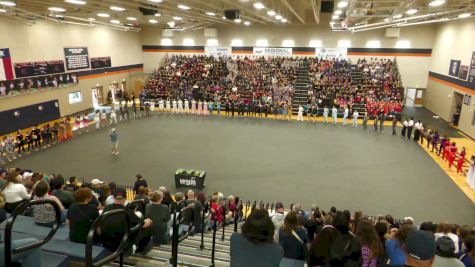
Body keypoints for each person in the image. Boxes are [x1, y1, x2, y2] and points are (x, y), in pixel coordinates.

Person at [100, 187, 153, 254]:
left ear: (113, 197)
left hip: (106, 242)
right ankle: (140, 250)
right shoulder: (127, 212)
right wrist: (149, 220)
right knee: (148, 227)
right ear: (125, 198)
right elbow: (143, 224)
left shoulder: (107, 208)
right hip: (122, 243)